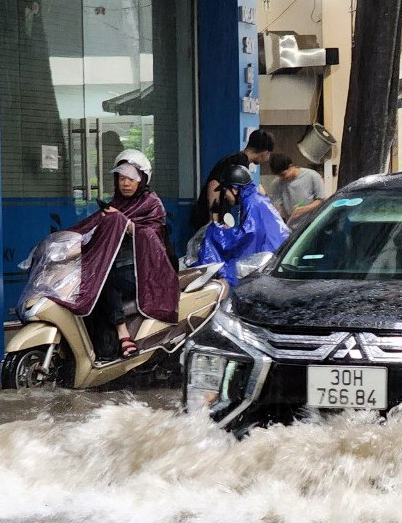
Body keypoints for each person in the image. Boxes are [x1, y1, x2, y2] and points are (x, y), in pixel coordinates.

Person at [49, 150, 180, 359]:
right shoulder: (116, 205)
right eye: (121, 178)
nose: (125, 183)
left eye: (130, 179)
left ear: (142, 180)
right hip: (117, 268)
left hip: (145, 273)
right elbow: (91, 232)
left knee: (104, 278)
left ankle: (122, 333)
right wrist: (67, 247)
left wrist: (126, 225)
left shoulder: (152, 204)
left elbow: (153, 238)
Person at [196, 164, 289, 286]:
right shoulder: (255, 200)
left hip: (268, 259)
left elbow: (248, 236)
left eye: (225, 191)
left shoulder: (252, 204)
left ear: (234, 189)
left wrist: (220, 233)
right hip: (275, 257)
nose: (225, 196)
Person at [190, 129, 275, 229]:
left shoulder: (238, 161)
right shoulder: (238, 163)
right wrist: (214, 221)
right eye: (269, 154)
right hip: (208, 218)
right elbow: (214, 185)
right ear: (265, 152)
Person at [268, 153, 326, 228]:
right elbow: (278, 207)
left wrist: (303, 209)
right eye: (279, 176)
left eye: (284, 174)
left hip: (313, 226)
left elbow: (321, 200)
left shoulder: (312, 176)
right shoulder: (277, 183)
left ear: (291, 166)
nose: (283, 178)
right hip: (292, 227)